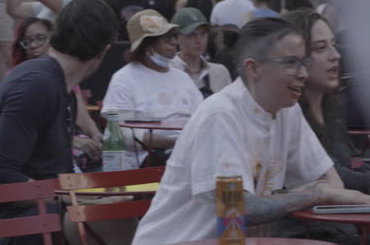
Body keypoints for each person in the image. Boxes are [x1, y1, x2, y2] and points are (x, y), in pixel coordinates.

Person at [131, 17, 370, 245]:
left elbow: (331, 183)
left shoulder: (288, 110)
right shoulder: (221, 115)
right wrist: (315, 194)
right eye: (290, 62)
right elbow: (235, 210)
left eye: (304, 61)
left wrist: (311, 192)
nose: (303, 73)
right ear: (253, 68)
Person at [0, 0, 118, 245]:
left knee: (121, 209)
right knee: (114, 218)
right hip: (11, 226)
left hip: (39, 217)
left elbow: (53, 172)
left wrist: (99, 192)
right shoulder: (37, 84)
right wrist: (78, 197)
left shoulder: (57, 84)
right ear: (104, 50)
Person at [277, 9, 370, 244]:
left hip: (343, 225)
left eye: (333, 45)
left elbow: (354, 166)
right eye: (320, 48)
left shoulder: (331, 112)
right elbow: (338, 177)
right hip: (309, 232)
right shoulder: (287, 114)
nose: (335, 55)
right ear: (294, 58)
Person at [101, 9, 203, 170]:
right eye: (166, 40)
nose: (174, 43)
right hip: (145, 161)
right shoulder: (124, 80)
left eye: (173, 37)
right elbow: (120, 132)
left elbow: (201, 116)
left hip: (188, 153)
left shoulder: (182, 78)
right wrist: (174, 142)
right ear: (146, 47)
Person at [10, 17, 103, 167]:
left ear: (53, 41)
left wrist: (96, 135)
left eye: (40, 38)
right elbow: (29, 131)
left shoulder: (65, 77)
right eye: (27, 41)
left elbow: (82, 118)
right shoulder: (20, 80)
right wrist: (71, 140)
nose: (33, 45)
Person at [170, 8, 231, 98]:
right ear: (175, 38)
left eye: (203, 33)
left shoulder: (220, 72)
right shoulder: (166, 70)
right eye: (191, 35)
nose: (199, 40)